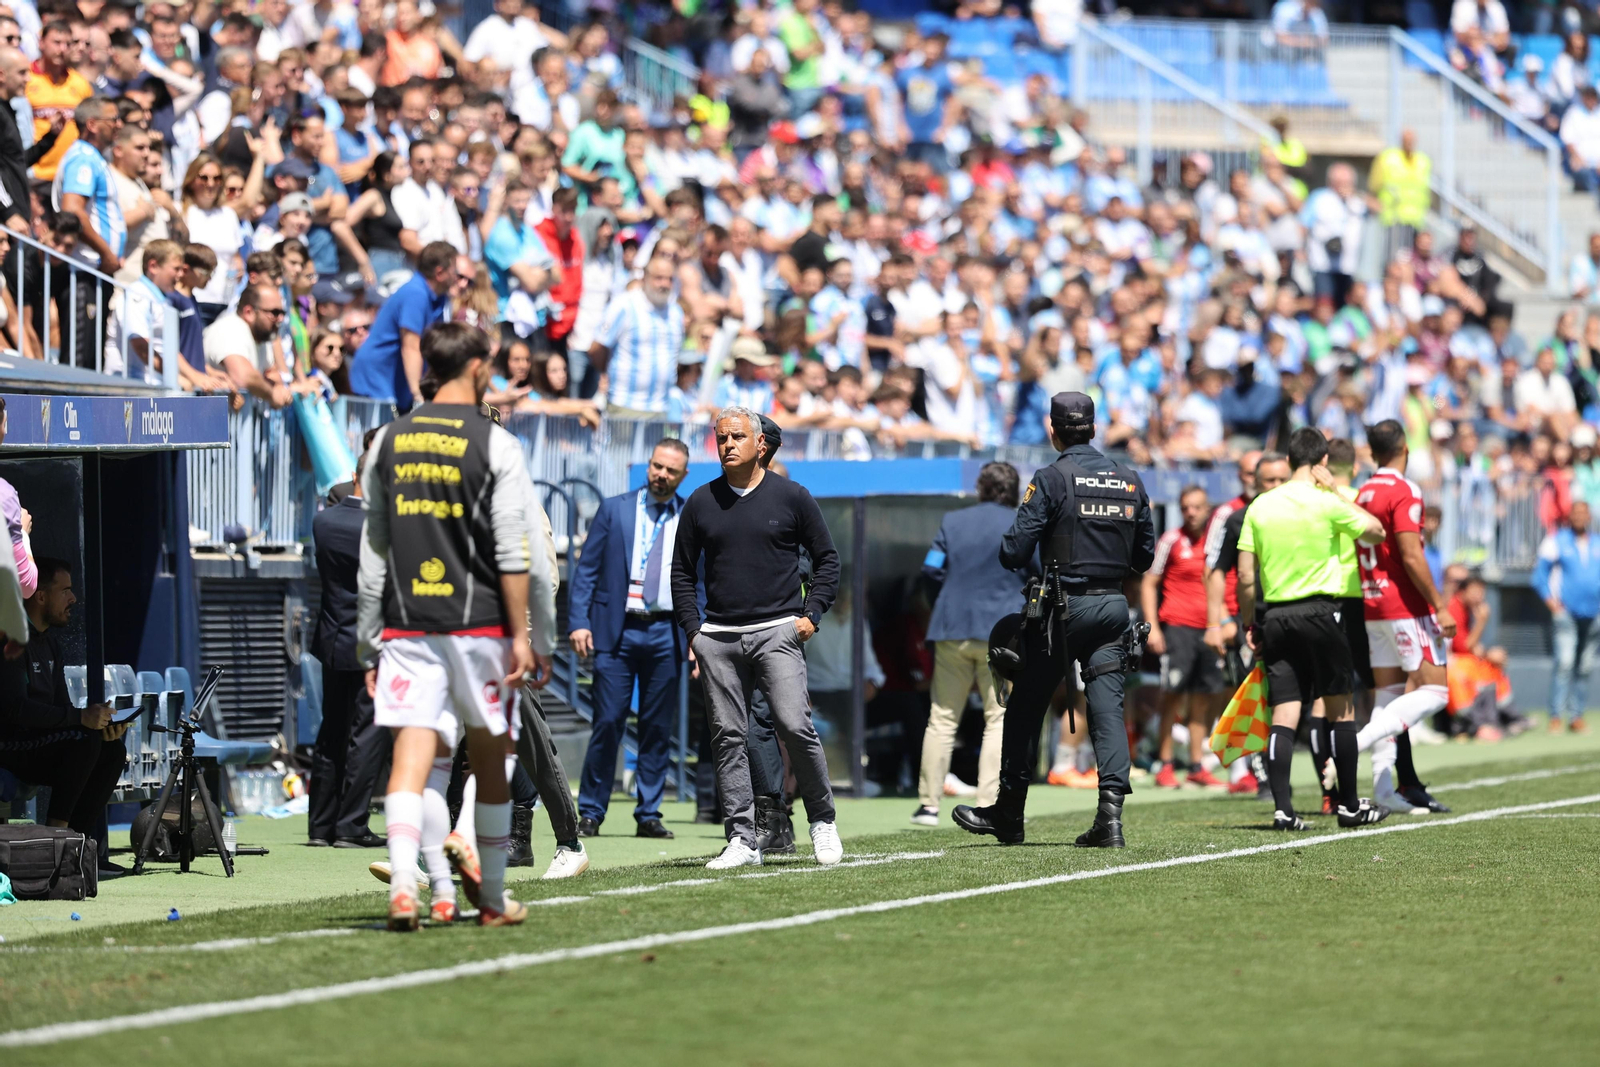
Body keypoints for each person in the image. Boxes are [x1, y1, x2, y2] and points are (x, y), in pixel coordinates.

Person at [357, 322, 544, 931]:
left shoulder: (387, 440)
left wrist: (368, 643)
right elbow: (516, 552)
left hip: (407, 627)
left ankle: (404, 886)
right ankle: (490, 898)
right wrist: (526, 634)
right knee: (492, 760)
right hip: (479, 625)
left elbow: (374, 552)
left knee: (413, 756)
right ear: (479, 366)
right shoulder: (495, 444)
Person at [954, 391, 1155, 848]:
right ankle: (1110, 819)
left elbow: (1013, 552)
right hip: (1112, 608)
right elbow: (1144, 557)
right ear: (1095, 429)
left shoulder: (1050, 478)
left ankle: (1008, 814)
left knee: (1025, 708)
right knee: (1107, 711)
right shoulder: (1129, 479)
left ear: (1052, 430)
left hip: (1064, 610)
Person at [671, 405, 843, 869]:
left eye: (736, 437)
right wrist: (695, 632)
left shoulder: (792, 496)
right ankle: (741, 839)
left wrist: (811, 615)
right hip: (719, 639)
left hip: (777, 632)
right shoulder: (701, 501)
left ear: (759, 444)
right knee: (728, 737)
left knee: (793, 725)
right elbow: (682, 573)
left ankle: (822, 821)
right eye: (720, 437)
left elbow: (828, 560)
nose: (726, 445)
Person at [1237, 427, 1387, 831]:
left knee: (1283, 713)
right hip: (1321, 612)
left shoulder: (1261, 506)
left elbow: (1246, 578)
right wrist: (1336, 492)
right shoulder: (1326, 502)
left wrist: (1249, 621)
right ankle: (1349, 806)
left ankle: (1283, 810)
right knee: (1342, 709)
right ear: (1323, 462)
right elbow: (1376, 530)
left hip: (1276, 617)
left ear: (1287, 461)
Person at [567, 439, 692, 840]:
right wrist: (578, 622)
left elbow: (700, 581)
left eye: (671, 470)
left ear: (682, 475)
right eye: (657, 466)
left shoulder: (689, 516)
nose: (661, 475)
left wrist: (697, 635)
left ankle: (649, 813)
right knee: (607, 721)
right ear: (648, 465)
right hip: (615, 629)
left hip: (665, 630)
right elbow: (586, 571)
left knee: (657, 726)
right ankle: (591, 811)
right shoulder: (615, 508)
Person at [1340, 423, 1455, 815]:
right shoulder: (1404, 490)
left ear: (1372, 451)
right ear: (1405, 447)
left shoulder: (1364, 492)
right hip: (1405, 606)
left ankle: (1384, 789)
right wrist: (1439, 604)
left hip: (1373, 606)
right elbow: (1410, 553)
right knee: (1436, 692)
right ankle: (1351, 746)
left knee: (1387, 697)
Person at [911, 462, 1031, 827]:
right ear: (1013, 490)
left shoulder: (953, 521)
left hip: (952, 627)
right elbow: (1036, 571)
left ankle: (928, 806)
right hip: (1003, 632)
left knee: (942, 719)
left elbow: (931, 570)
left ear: (981, 487)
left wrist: (942, 604)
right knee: (998, 720)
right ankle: (987, 801)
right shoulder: (1019, 522)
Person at [0, 558, 128, 873]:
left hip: (40, 744)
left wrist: (98, 725)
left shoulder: (51, 644)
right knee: (84, 740)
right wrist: (79, 720)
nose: (72, 599)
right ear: (40, 596)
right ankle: (55, 850)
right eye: (65, 591)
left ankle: (79, 851)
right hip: (10, 746)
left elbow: (62, 709)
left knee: (110, 747)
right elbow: (16, 710)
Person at [308, 447, 391, 848]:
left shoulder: (324, 522)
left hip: (333, 637)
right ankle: (352, 825)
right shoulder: (381, 527)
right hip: (373, 642)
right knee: (367, 733)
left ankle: (321, 826)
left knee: (331, 730)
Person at [1206, 451, 1291, 797]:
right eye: (1268, 480)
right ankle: (1264, 778)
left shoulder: (1304, 512)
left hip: (1297, 615)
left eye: (1281, 480)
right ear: (1253, 482)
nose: (1275, 487)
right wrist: (1218, 621)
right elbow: (1216, 570)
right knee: (1258, 695)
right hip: (1255, 621)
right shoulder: (1237, 518)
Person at [1145, 485, 1226, 790]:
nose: (1191, 512)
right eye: (1185, 507)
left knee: (1203, 701)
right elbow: (1149, 582)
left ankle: (1196, 765)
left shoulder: (1215, 544)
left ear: (1208, 510)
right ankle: (1164, 764)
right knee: (1172, 696)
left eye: (1196, 507)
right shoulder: (1171, 540)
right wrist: (1152, 624)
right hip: (1177, 628)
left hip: (1208, 630)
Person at [347, 241, 459, 409]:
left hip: (395, 382)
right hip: (376, 380)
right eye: (454, 270)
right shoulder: (415, 294)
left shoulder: (439, 299)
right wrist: (417, 395)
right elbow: (411, 346)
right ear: (440, 273)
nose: (457, 276)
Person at [1534, 498, 1600, 734]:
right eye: (1576, 513)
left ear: (1589, 516)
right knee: (1564, 663)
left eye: (1584, 513)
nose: (1580, 517)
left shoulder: (1597, 542)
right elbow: (1539, 575)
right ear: (1569, 516)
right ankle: (1555, 716)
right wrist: (1553, 604)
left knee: (1585, 667)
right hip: (1566, 613)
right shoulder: (1556, 541)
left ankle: (1577, 716)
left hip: (1594, 616)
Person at [589, 252, 683, 417]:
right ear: (645, 278)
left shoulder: (676, 312)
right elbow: (597, 348)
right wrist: (608, 372)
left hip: (661, 407)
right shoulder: (624, 305)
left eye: (670, 279)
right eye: (659, 278)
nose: (665, 284)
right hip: (625, 405)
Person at [202, 283, 292, 407]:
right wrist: (271, 394)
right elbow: (243, 376)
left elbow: (273, 374)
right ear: (249, 312)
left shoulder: (260, 337)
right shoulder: (229, 328)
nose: (280, 319)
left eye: (282, 313)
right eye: (275, 312)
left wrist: (277, 387)